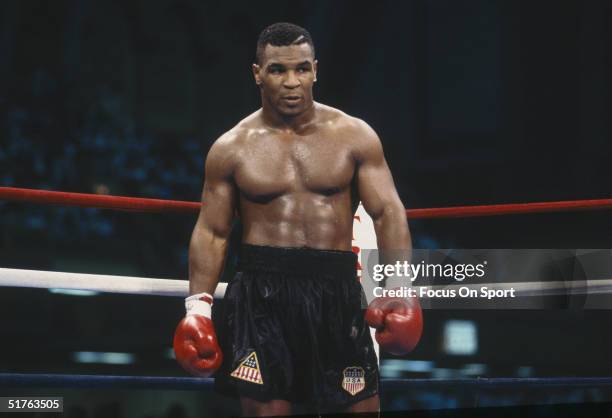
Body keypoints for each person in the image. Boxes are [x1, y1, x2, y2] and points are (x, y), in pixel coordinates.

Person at [173, 22, 422, 417]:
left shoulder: (355, 136)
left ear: (316, 70)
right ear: (257, 73)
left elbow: (388, 211)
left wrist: (400, 287)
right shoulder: (231, 148)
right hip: (261, 295)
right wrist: (197, 310)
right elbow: (213, 231)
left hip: (335, 289)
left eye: (302, 69)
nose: (292, 82)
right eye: (277, 70)